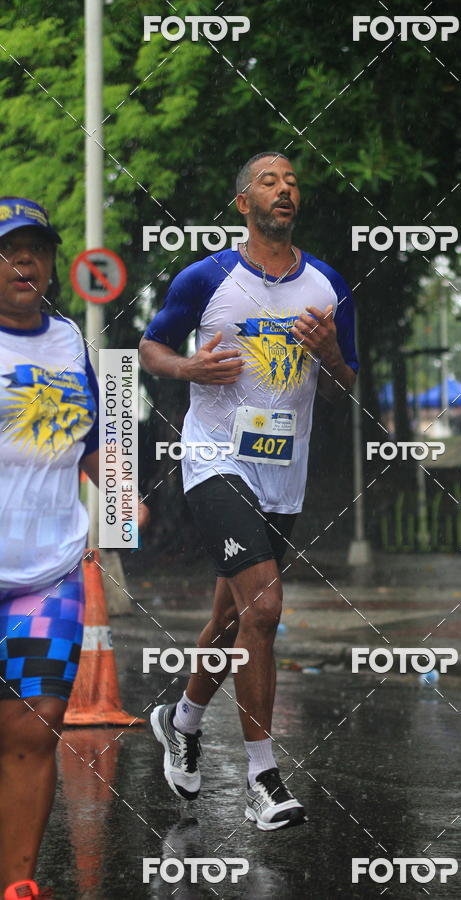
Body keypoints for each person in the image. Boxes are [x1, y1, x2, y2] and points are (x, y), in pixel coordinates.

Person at [140, 152, 358, 830]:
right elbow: (150, 348)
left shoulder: (327, 283)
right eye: (269, 180)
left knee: (235, 619)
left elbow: (348, 383)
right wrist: (190, 366)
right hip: (213, 460)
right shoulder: (207, 277)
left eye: (291, 180)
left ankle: (181, 720)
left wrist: (327, 355)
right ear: (243, 203)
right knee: (264, 608)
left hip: (280, 475)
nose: (284, 188)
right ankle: (264, 778)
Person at [0, 197, 147, 899]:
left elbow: (91, 442)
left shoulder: (67, 342)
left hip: (48, 567)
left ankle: (18, 885)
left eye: (35, 249)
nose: (23, 262)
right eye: (8, 250)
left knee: (37, 725)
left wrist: (120, 491)